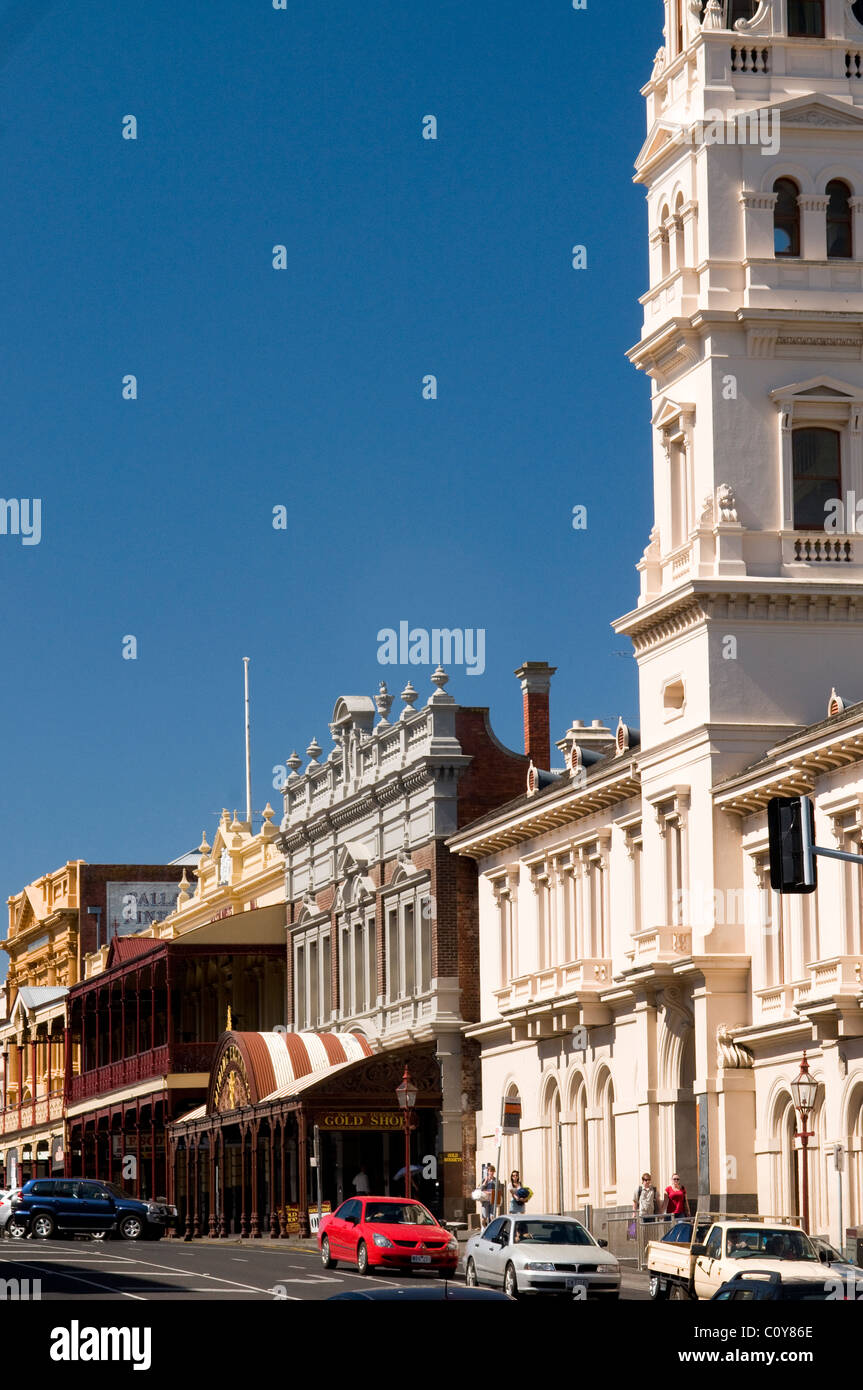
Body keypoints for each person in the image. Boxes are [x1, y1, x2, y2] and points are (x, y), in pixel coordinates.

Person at [479, 1164, 497, 1228]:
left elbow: (498, 1190)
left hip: (492, 1200)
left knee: (492, 1216)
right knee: (484, 1217)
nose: (491, 1172)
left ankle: (492, 1229)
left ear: (494, 1172)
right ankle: (484, 1228)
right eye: (490, 1171)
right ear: (488, 1172)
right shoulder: (484, 1179)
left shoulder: (496, 1180)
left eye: (492, 1171)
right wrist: (486, 1181)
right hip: (485, 1200)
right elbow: (481, 1189)